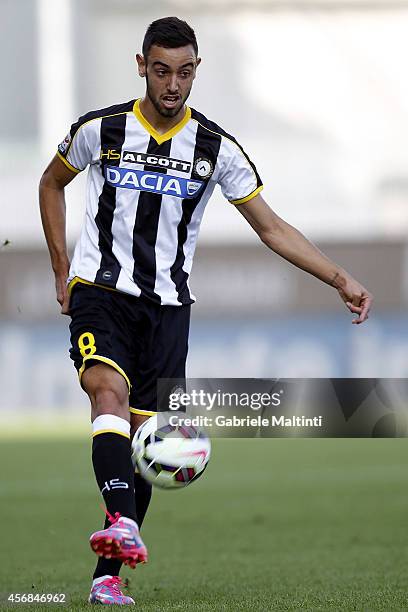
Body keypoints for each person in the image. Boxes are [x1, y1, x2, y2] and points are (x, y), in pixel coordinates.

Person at [39, 16, 373, 606]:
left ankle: (107, 578)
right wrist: (62, 267)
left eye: (185, 72)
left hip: (168, 310)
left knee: (152, 443)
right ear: (141, 65)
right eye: (162, 70)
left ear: (196, 71)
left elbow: (270, 226)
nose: (172, 84)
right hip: (102, 293)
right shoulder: (101, 130)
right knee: (106, 394)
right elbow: (51, 183)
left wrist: (338, 276)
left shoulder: (215, 147)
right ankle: (120, 521)